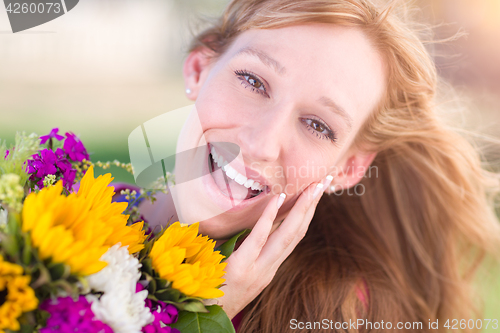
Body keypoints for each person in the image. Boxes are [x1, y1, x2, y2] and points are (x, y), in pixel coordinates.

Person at [140, 0, 500, 332]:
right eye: (253, 82)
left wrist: (212, 313)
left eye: (317, 126)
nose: (261, 145)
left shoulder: (338, 316)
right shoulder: (87, 204)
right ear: (199, 68)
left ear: (348, 168)